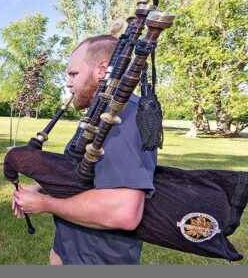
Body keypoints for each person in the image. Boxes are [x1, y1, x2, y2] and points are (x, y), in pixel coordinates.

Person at [12, 35, 157, 265]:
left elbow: (124, 211)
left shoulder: (124, 117)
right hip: (72, 249)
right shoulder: (99, 113)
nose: (68, 83)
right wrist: (40, 188)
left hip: (98, 257)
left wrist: (46, 204)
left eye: (73, 74)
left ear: (101, 70)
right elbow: (81, 172)